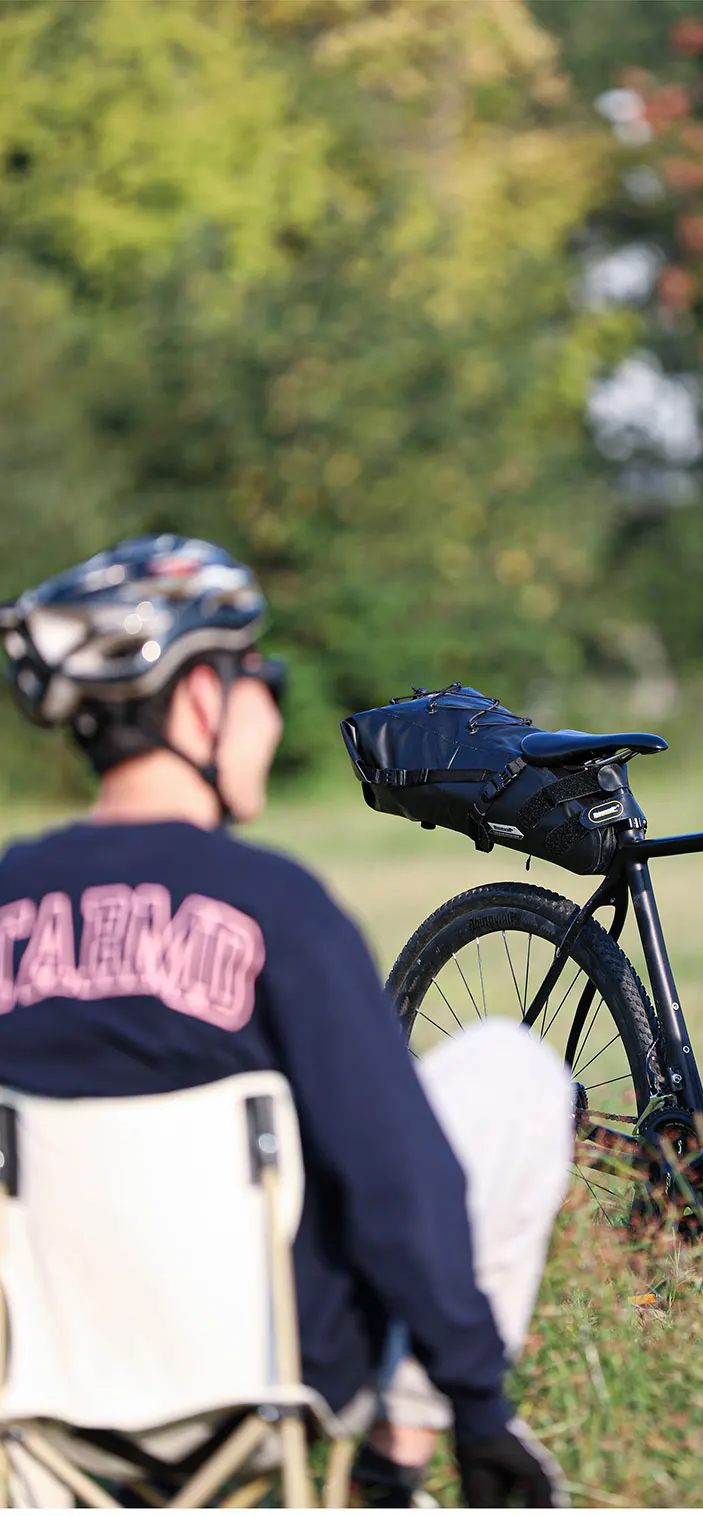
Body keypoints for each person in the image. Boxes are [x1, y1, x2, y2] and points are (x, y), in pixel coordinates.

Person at [0, 536, 573, 1509]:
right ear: (200, 699)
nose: (271, 704)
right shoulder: (277, 907)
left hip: (40, 1379)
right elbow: (400, 1180)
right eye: (259, 675)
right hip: (271, 1371)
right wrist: (478, 1405)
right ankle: (390, 1467)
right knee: (509, 1071)